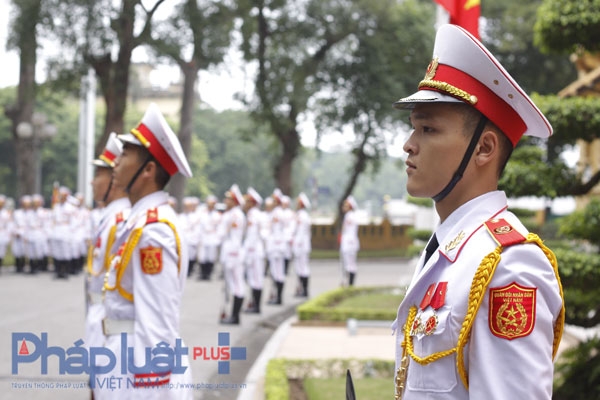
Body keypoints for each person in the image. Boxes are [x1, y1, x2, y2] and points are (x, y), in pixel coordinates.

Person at [391, 24, 565, 399]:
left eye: (428, 129)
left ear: (484, 149)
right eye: (413, 128)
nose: (409, 145)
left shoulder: (509, 267)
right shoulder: (451, 251)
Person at [96, 103, 193, 399]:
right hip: (123, 358)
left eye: (125, 154)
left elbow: (157, 326)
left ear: (148, 169)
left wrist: (150, 390)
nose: (116, 162)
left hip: (141, 374)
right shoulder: (139, 223)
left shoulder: (154, 231)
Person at [85, 132, 130, 375]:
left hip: (108, 317)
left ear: (114, 180)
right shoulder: (109, 216)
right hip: (98, 313)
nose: (92, 182)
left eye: (98, 176)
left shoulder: (120, 220)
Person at [218, 184, 247, 325]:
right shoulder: (231, 214)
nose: (225, 201)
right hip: (229, 253)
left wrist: (232, 256)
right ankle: (233, 315)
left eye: (228, 199)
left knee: (237, 285)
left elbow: (231, 237)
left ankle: (235, 316)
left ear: (234, 201)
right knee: (233, 284)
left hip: (233, 254)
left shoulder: (235, 215)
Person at [242, 187, 266, 313]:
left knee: (256, 279)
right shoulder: (251, 215)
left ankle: (257, 306)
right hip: (251, 252)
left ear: (252, 203)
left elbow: (262, 234)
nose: (244, 204)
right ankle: (253, 303)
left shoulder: (257, 216)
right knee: (252, 279)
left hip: (256, 252)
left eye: (247, 201)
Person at [291, 192, 312, 297]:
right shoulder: (299, 215)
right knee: (299, 268)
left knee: (303, 268)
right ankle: (301, 289)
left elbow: (302, 233)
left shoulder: (303, 216)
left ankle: (305, 290)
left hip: (302, 246)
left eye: (298, 202)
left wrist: (297, 244)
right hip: (299, 245)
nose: (296, 204)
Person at [197, 194, 221, 280]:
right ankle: (202, 273)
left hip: (212, 237)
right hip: (204, 237)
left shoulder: (217, 215)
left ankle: (208, 274)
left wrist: (218, 238)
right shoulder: (202, 214)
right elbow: (199, 226)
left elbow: (219, 228)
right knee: (202, 257)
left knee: (211, 257)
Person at [339, 195, 360, 286]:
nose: (344, 207)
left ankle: (350, 284)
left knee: (350, 265)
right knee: (348, 264)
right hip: (348, 243)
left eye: (346, 206)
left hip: (349, 243)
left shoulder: (350, 216)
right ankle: (348, 283)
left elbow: (349, 231)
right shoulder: (349, 216)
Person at [180, 196, 201, 277]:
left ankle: (190, 270)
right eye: (185, 206)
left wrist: (195, 238)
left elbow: (197, 230)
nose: (187, 208)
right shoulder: (181, 216)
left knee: (192, 256)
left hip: (192, 239)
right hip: (184, 239)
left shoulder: (195, 216)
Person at [0, 195, 13, 272]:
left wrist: (9, 235)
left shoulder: (7, 213)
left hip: (3, 234)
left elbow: (10, 225)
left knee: (1, 251)